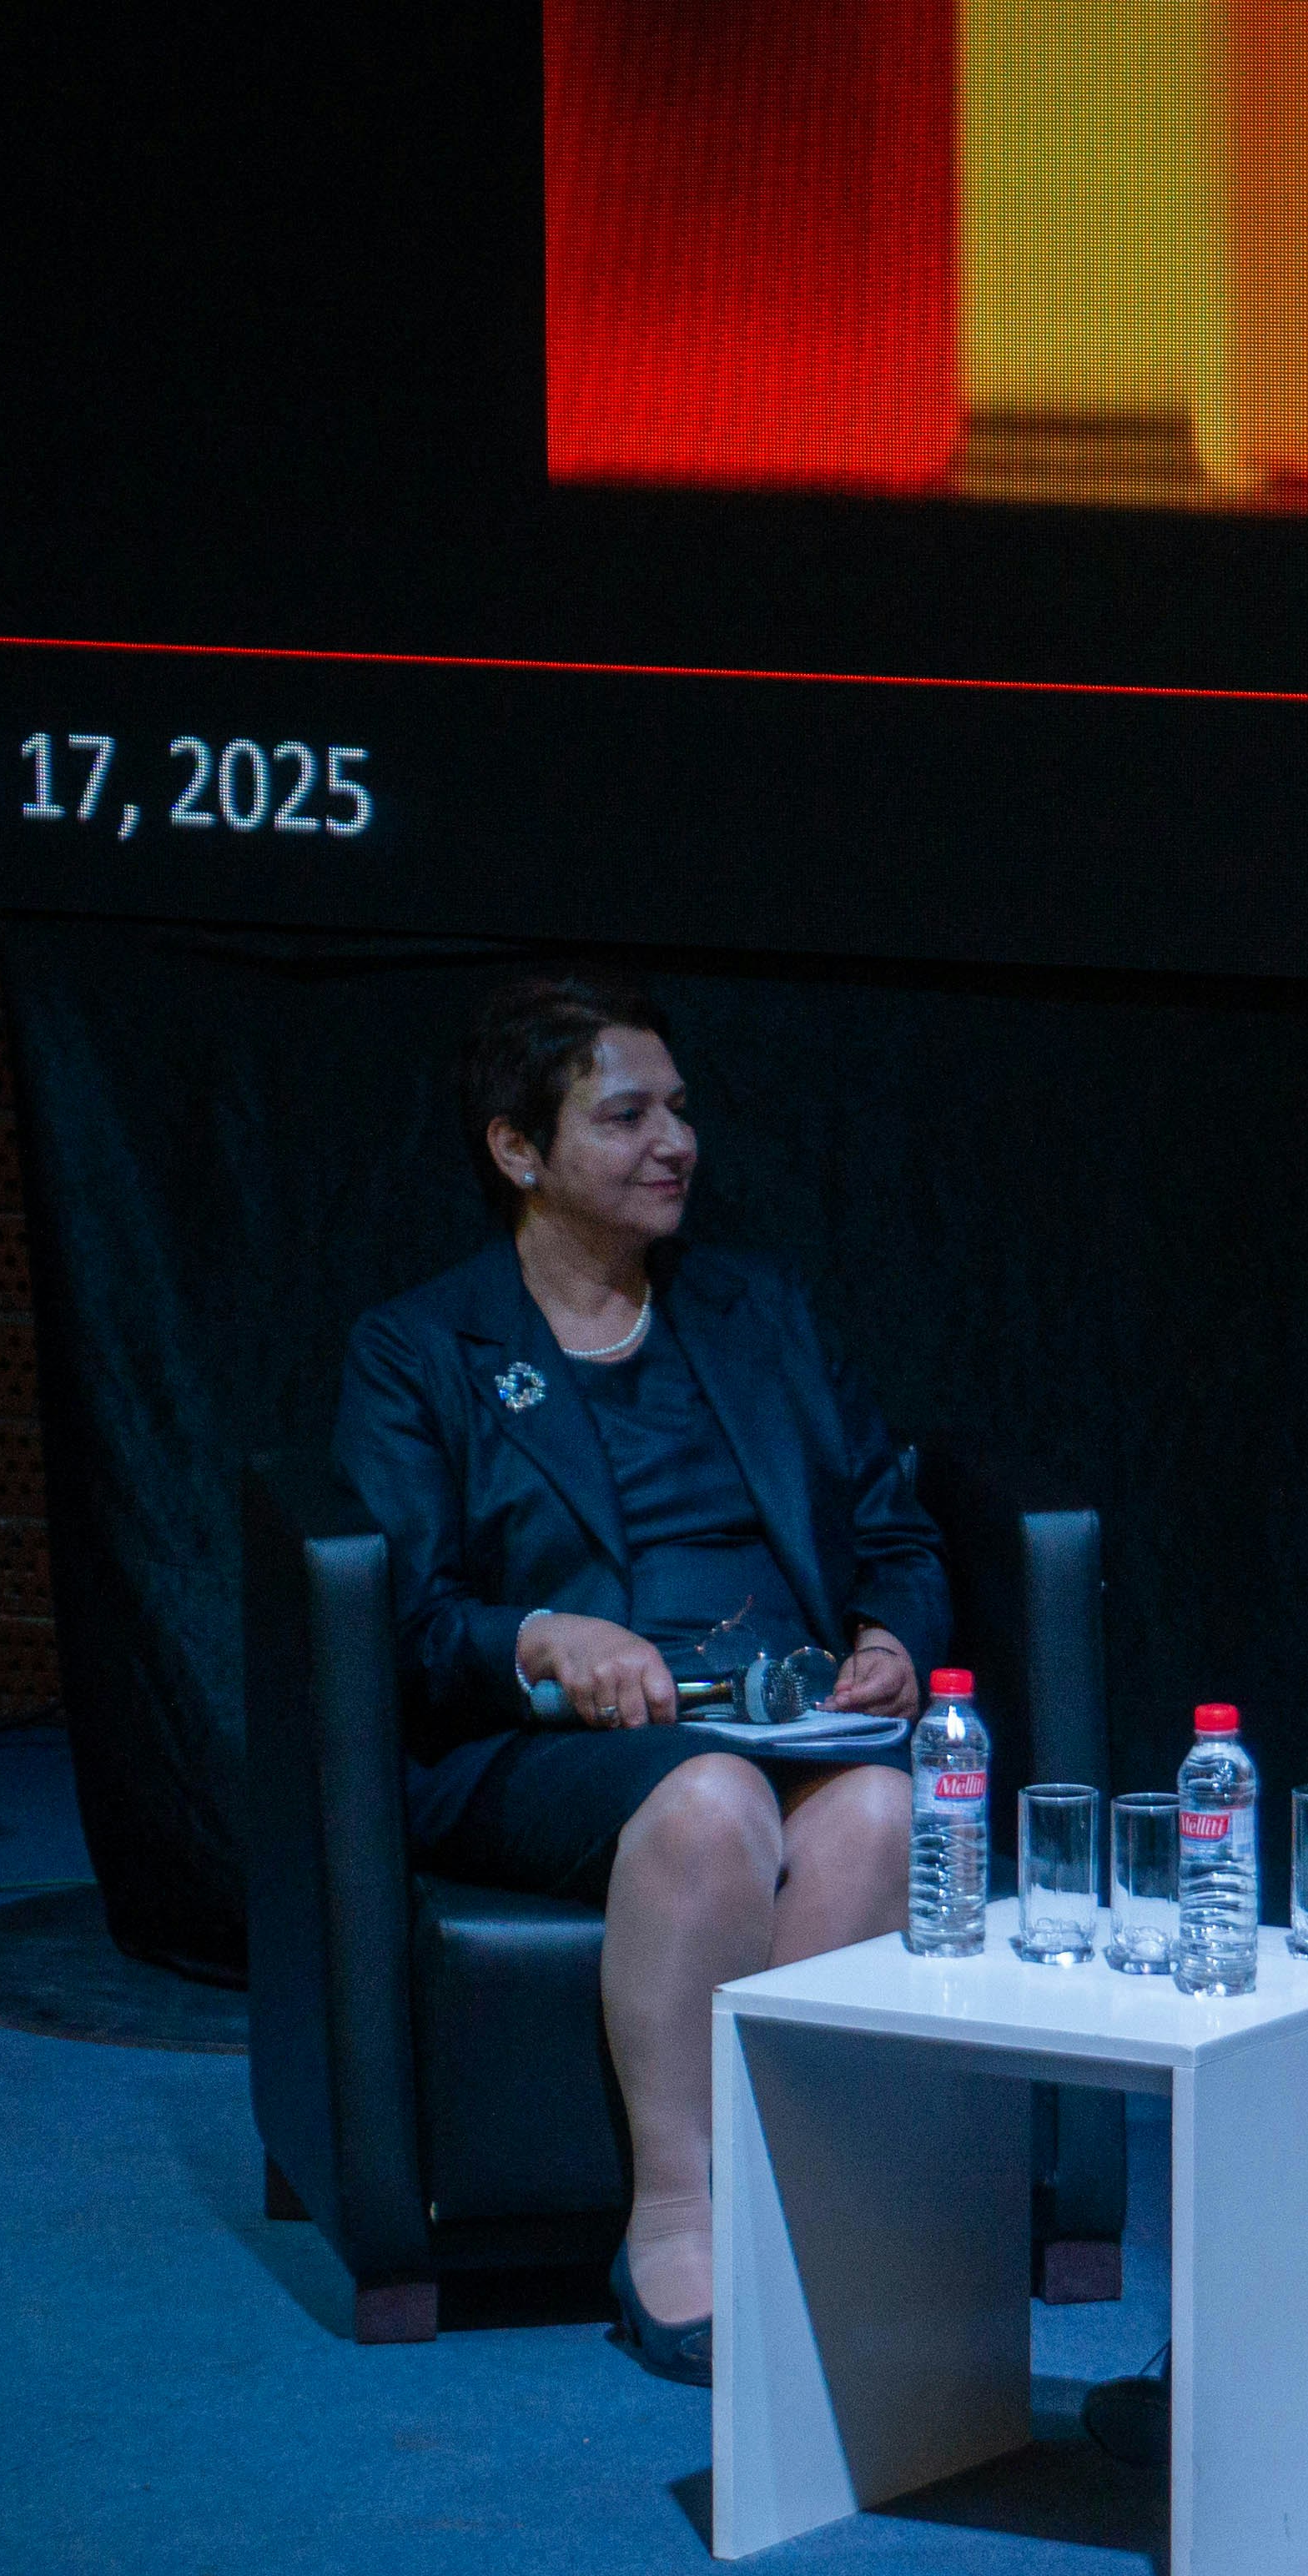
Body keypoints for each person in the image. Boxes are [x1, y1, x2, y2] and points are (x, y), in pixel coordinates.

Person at [335, 973, 942, 2391]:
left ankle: (787, 2215)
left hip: (778, 1706)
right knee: (710, 1797)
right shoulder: (424, 1353)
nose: (674, 1142)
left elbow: (896, 1525)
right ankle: (670, 2218)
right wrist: (541, 1635)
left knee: (873, 1817)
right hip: (545, 1747)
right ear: (518, 1151)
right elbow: (410, 1623)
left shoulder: (760, 1314)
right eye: (625, 1116)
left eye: (680, 1110)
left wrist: (893, 1638)